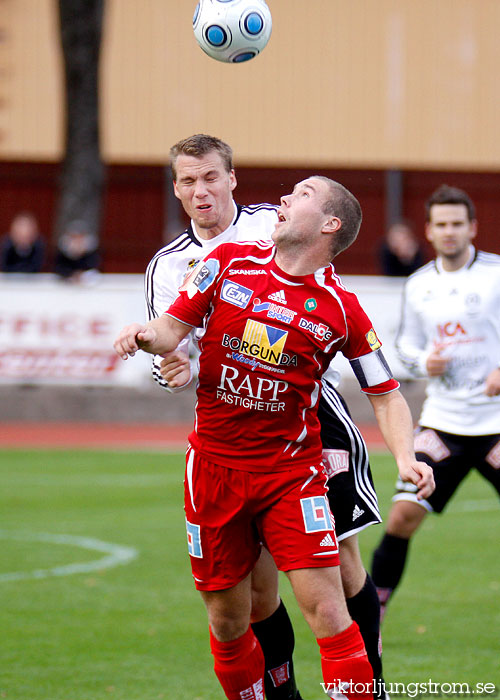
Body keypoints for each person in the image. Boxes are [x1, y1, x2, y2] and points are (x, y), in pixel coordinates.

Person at [115, 174, 434, 700]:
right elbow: (172, 328)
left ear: (329, 225)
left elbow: (386, 393)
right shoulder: (226, 263)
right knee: (227, 619)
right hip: (213, 470)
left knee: (329, 609)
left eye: (302, 195)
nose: (284, 199)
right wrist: (146, 337)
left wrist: (405, 456)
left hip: (291, 475)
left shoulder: (341, 306)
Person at [371, 184, 500, 621]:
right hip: (443, 424)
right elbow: (404, 348)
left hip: (496, 425)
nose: (449, 232)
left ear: (472, 228)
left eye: (457, 224)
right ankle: (374, 616)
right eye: (441, 225)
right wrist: (427, 360)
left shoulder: (496, 274)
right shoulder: (419, 285)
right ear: (428, 230)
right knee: (402, 517)